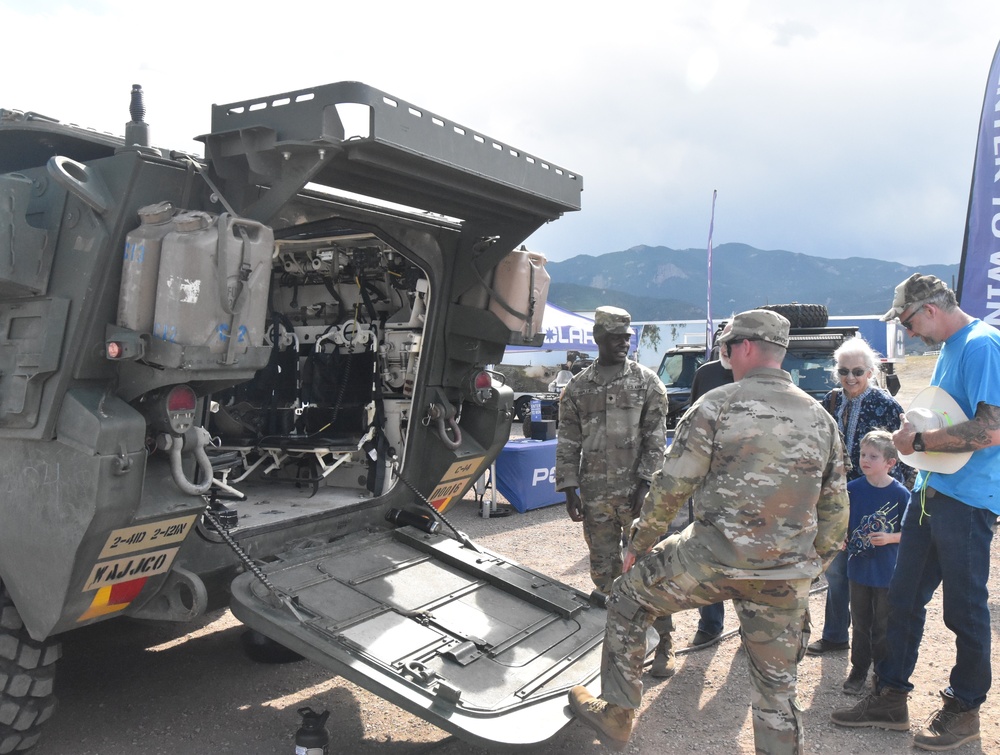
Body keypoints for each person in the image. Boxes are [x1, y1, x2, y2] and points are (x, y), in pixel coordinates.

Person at [568, 309, 848, 754]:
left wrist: (639, 544)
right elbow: (835, 514)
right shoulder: (821, 418)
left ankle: (618, 714)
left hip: (710, 560)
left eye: (728, 348)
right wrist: (806, 569)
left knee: (625, 598)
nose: (726, 357)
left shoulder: (717, 404)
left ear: (747, 348)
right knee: (776, 693)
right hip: (785, 573)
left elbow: (672, 485)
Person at [831, 273, 1000, 751]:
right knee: (901, 599)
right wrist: (916, 431)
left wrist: (918, 441)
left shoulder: (982, 344)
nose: (907, 332)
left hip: (967, 501)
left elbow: (992, 429)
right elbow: (952, 416)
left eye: (907, 321)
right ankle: (890, 698)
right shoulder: (952, 346)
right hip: (933, 492)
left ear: (929, 308)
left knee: (964, 609)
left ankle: (965, 709)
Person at [554, 306, 674, 677]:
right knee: (605, 570)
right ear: (598, 338)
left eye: (627, 336)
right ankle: (622, 641)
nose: (623, 343)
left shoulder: (646, 382)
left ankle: (663, 644)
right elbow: (568, 442)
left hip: (636, 495)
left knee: (650, 570)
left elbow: (656, 440)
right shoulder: (577, 388)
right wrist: (570, 489)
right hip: (595, 496)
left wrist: (645, 484)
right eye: (615, 337)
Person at [808, 336, 909, 657]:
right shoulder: (831, 401)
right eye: (843, 371)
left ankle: (879, 647)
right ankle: (836, 635)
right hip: (838, 499)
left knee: (874, 572)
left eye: (857, 371)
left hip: (875, 501)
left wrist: (893, 509)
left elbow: (904, 461)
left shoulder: (888, 406)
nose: (850, 377)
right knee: (836, 569)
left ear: (871, 371)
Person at [841, 429, 908, 695]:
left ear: (891, 462)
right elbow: (841, 522)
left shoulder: (901, 494)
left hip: (885, 573)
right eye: (862, 454)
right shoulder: (853, 489)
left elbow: (913, 534)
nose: (865, 460)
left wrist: (890, 537)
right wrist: (841, 538)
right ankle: (858, 669)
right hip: (858, 569)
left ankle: (881, 673)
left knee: (883, 625)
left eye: (873, 456)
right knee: (859, 622)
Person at [685, 321, 734, 649]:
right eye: (722, 341)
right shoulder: (706, 373)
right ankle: (710, 622)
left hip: (748, 482)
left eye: (731, 342)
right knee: (705, 549)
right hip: (708, 479)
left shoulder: (760, 375)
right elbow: (692, 418)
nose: (725, 348)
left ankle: (753, 628)